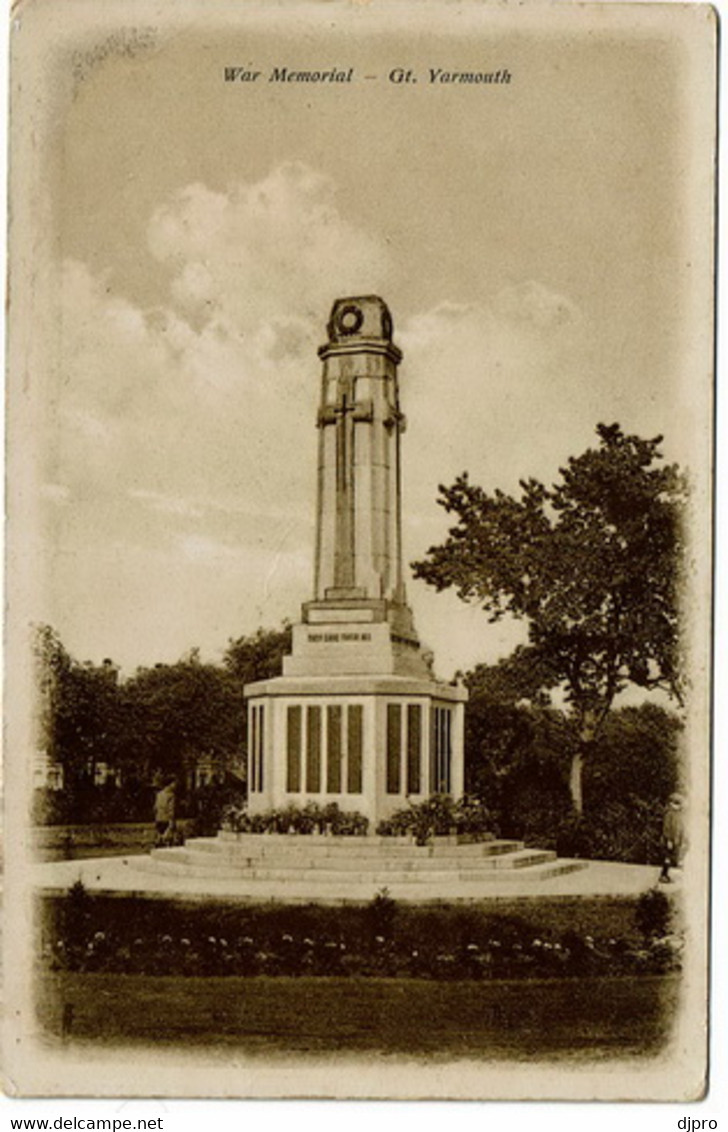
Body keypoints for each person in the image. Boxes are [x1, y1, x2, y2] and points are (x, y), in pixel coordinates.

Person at [659, 793, 685, 883]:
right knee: (667, 858)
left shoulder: (677, 815)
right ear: (672, 804)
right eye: (676, 804)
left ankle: (665, 875)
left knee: (670, 857)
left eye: (679, 804)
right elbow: (667, 828)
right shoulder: (669, 814)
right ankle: (663, 875)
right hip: (668, 840)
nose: (678, 806)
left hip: (674, 840)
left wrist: (680, 839)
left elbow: (679, 829)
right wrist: (669, 839)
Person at [154, 777, 178, 847]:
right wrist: (172, 822)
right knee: (168, 840)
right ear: (169, 784)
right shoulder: (171, 795)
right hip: (167, 819)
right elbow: (171, 809)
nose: (175, 785)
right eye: (174, 784)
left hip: (158, 818)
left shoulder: (159, 794)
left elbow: (155, 807)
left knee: (159, 838)